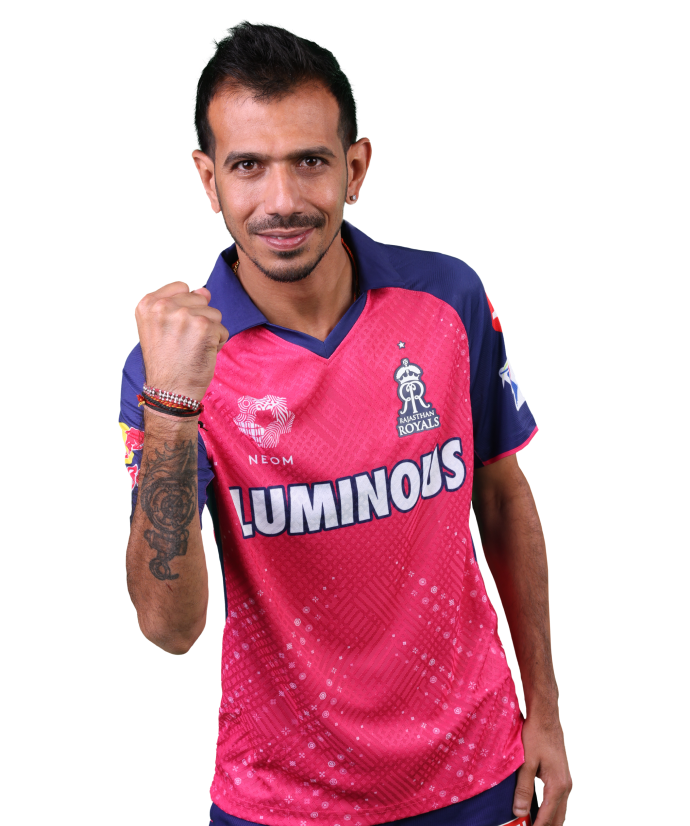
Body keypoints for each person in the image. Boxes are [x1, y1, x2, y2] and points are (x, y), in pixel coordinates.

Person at [120, 21, 572, 826]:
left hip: (479, 773)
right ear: (207, 180)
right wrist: (173, 410)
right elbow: (170, 629)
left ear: (355, 168)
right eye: (248, 166)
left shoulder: (451, 297)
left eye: (310, 162)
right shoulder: (168, 366)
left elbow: (503, 499)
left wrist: (546, 712)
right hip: (280, 801)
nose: (282, 202)